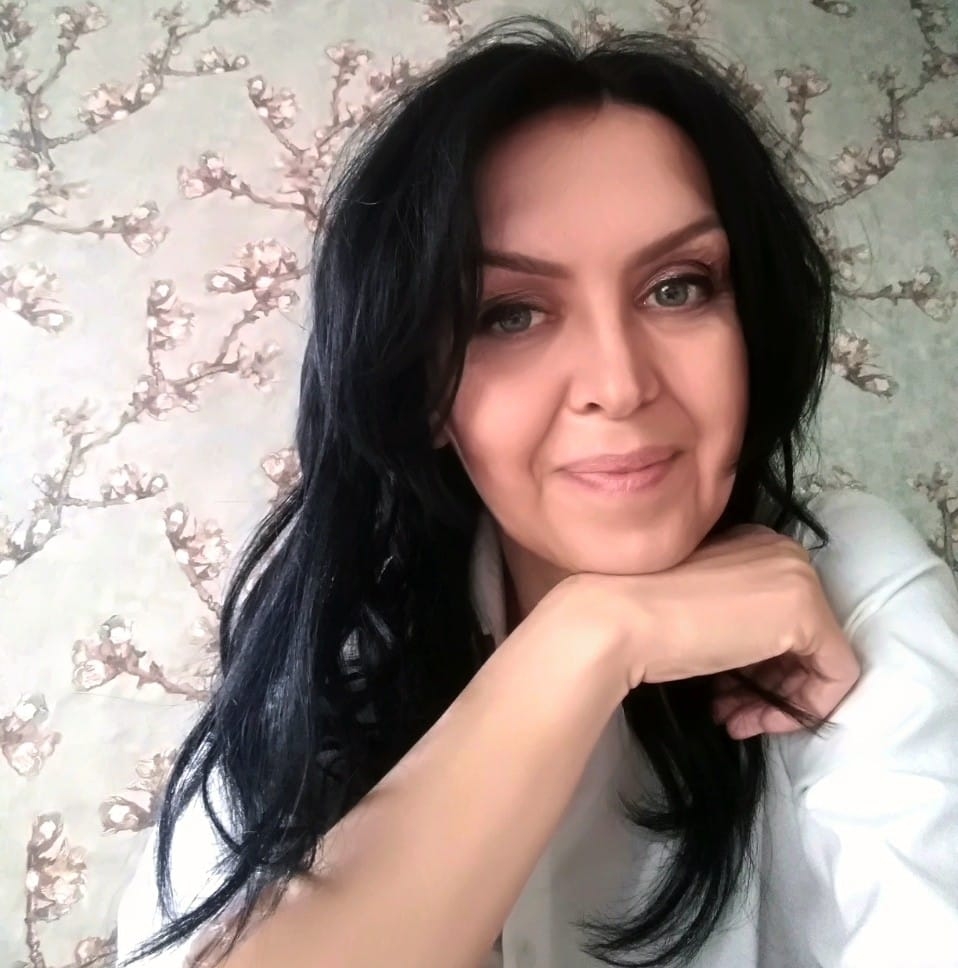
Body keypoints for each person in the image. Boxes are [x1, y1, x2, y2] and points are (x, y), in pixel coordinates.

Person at [114, 15, 958, 968]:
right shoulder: (334, 661)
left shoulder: (849, 583)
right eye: (509, 314)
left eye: (678, 288)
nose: (619, 383)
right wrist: (588, 641)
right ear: (425, 390)